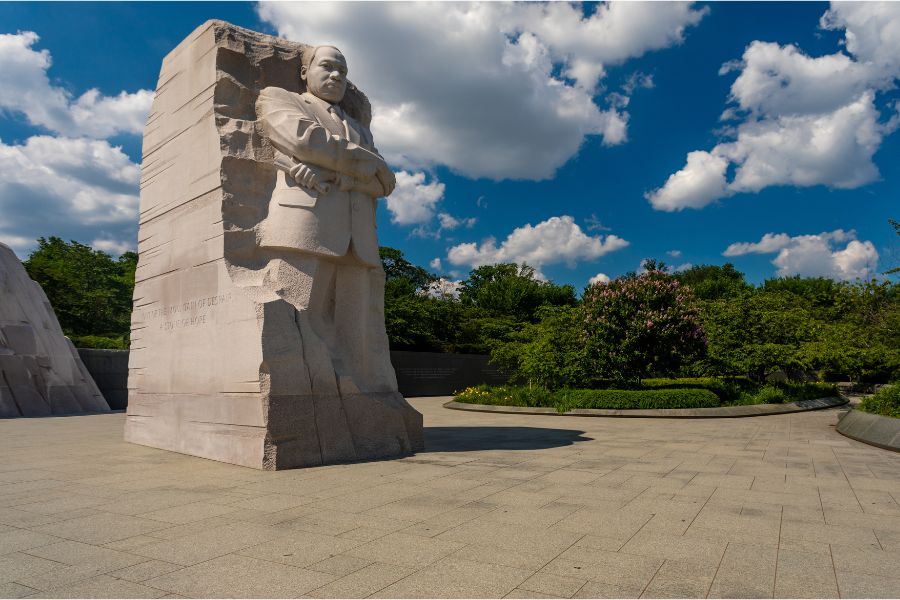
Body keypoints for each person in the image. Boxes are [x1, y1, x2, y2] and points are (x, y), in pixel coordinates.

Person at [255, 45, 397, 396]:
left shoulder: (357, 128)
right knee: (294, 323)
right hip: (304, 228)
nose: (336, 76)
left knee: (356, 336)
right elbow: (305, 140)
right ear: (305, 71)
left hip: (358, 239)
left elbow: (386, 182)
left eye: (343, 72)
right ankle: (301, 398)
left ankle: (356, 399)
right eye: (328, 67)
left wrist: (341, 174)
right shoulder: (281, 99)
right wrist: (365, 165)